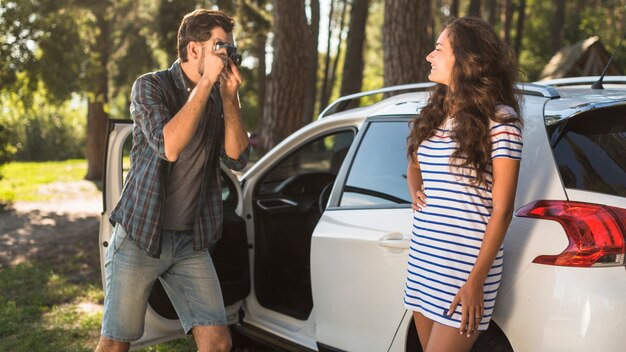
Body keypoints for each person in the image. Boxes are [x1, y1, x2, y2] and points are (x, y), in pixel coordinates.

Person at [95, 9, 249, 352]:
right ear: (195, 50)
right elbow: (170, 146)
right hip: (140, 236)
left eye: (230, 48)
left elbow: (237, 158)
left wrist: (229, 98)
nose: (228, 55)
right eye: (220, 46)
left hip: (190, 242)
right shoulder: (150, 86)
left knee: (217, 342)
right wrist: (207, 83)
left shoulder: (218, 95)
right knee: (115, 344)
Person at [404, 16, 523, 352]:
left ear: (469, 60)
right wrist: (417, 192)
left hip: (463, 269)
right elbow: (415, 165)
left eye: (439, 49)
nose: (429, 55)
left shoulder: (501, 122)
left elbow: (503, 210)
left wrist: (475, 283)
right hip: (424, 259)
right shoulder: (436, 113)